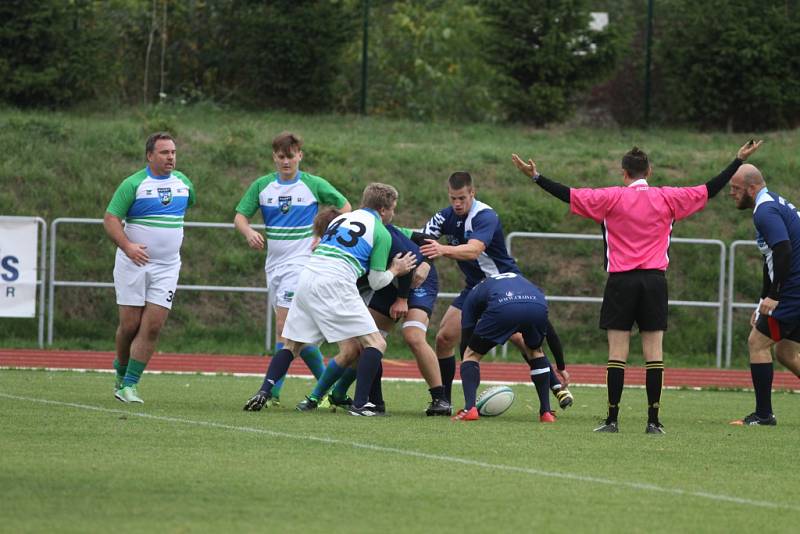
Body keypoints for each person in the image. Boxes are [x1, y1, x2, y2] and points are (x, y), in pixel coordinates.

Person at [512, 139, 763, 434]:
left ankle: (612, 419)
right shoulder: (668, 197)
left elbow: (568, 195)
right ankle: (653, 421)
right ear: (650, 171)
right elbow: (709, 189)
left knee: (617, 352)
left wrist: (536, 177)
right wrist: (736, 160)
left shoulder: (611, 198)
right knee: (653, 353)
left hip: (621, 281)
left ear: (624, 173)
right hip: (655, 282)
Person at [242, 183, 417, 416]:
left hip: (307, 277)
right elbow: (376, 282)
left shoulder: (338, 220)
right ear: (383, 210)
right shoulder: (381, 231)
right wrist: (396, 270)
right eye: (393, 208)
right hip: (336, 282)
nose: (393, 214)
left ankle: (265, 390)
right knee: (376, 343)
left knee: (292, 345)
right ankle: (361, 404)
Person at [419, 171, 572, 409]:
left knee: (521, 338)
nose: (457, 203)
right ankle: (443, 401)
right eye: (453, 198)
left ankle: (554, 386)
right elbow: (422, 241)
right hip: (475, 288)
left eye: (462, 198)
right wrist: (424, 262)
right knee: (444, 337)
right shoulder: (444, 217)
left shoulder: (484, 215)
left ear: (473, 193)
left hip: (505, 283)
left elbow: (473, 250)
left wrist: (441, 249)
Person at [234, 131, 351, 406]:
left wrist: (324, 235)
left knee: (285, 329)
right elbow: (239, 216)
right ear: (274, 157)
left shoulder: (312, 184)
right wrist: (248, 231)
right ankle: (326, 389)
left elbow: (345, 207)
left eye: (291, 156)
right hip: (274, 265)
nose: (286, 161)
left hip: (301, 265)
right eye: (281, 156)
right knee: (294, 335)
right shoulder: (263, 186)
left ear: (300, 155)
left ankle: (277, 391)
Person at [296, 222, 451, 416]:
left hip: (418, 280)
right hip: (390, 281)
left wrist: (426, 264)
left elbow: (421, 245)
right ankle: (370, 401)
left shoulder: (379, 231)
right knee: (365, 343)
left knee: (413, 336)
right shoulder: (343, 250)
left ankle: (440, 399)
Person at [103, 132, 196, 403]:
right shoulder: (133, 184)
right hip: (133, 264)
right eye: (165, 152)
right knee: (129, 324)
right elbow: (110, 220)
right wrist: (129, 246)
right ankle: (120, 370)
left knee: (153, 326)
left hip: (167, 267)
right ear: (150, 156)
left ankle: (130, 385)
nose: (171, 157)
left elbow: (182, 211)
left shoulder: (184, 183)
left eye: (173, 152)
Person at [728, 161, 800, 426]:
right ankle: (763, 413)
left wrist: (775, 296)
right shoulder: (771, 204)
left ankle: (763, 415)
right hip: (793, 286)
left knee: (757, 343)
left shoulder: (765, 211)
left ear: (752, 187)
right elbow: (770, 258)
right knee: (786, 353)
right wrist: (762, 301)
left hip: (793, 289)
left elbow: (783, 250)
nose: (732, 194)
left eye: (735, 189)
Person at [453, 272, 556, 422]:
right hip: (537, 305)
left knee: (471, 354)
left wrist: (466, 363)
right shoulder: (520, 280)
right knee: (535, 351)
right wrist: (560, 365)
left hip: (503, 308)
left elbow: (467, 334)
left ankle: (470, 409)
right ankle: (546, 413)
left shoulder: (473, 294)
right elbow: (551, 334)